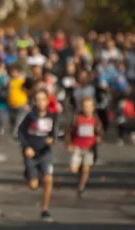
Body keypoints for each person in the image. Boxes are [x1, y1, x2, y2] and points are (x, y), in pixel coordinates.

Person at [18, 89, 58, 222]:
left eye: (43, 99)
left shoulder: (52, 116)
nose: (41, 102)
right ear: (35, 101)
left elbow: (53, 132)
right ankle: (30, 174)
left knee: (48, 180)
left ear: (47, 101)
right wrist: (26, 147)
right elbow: (21, 132)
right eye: (38, 100)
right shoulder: (30, 116)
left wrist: (51, 139)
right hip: (31, 153)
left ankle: (45, 210)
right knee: (33, 185)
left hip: (45, 152)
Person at [65, 97, 103, 198]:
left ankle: (81, 186)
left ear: (93, 108)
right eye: (85, 107)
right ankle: (79, 172)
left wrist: (99, 137)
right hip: (77, 146)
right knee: (73, 169)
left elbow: (99, 132)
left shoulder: (95, 120)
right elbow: (69, 132)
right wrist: (69, 143)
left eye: (89, 107)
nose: (87, 109)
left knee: (86, 169)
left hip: (89, 148)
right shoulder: (77, 119)